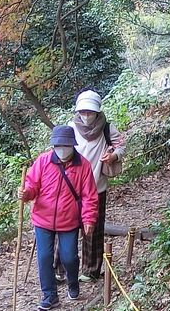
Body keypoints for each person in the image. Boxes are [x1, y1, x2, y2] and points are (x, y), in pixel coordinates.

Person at [19, 126, 98, 310]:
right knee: (45, 257)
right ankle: (50, 295)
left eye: (65, 145)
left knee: (69, 257)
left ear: (72, 145)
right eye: (58, 145)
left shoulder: (83, 165)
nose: (61, 148)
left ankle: (73, 282)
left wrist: (88, 219)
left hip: (68, 219)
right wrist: (26, 194)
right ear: (53, 146)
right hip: (42, 218)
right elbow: (32, 185)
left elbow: (89, 196)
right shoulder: (43, 161)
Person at [67, 90, 125, 282]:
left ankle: (91, 270)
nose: (86, 116)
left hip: (97, 187)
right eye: (82, 112)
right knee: (67, 228)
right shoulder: (70, 128)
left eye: (89, 112)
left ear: (97, 112)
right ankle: (61, 269)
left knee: (94, 229)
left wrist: (114, 155)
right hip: (71, 189)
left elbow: (121, 146)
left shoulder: (107, 128)